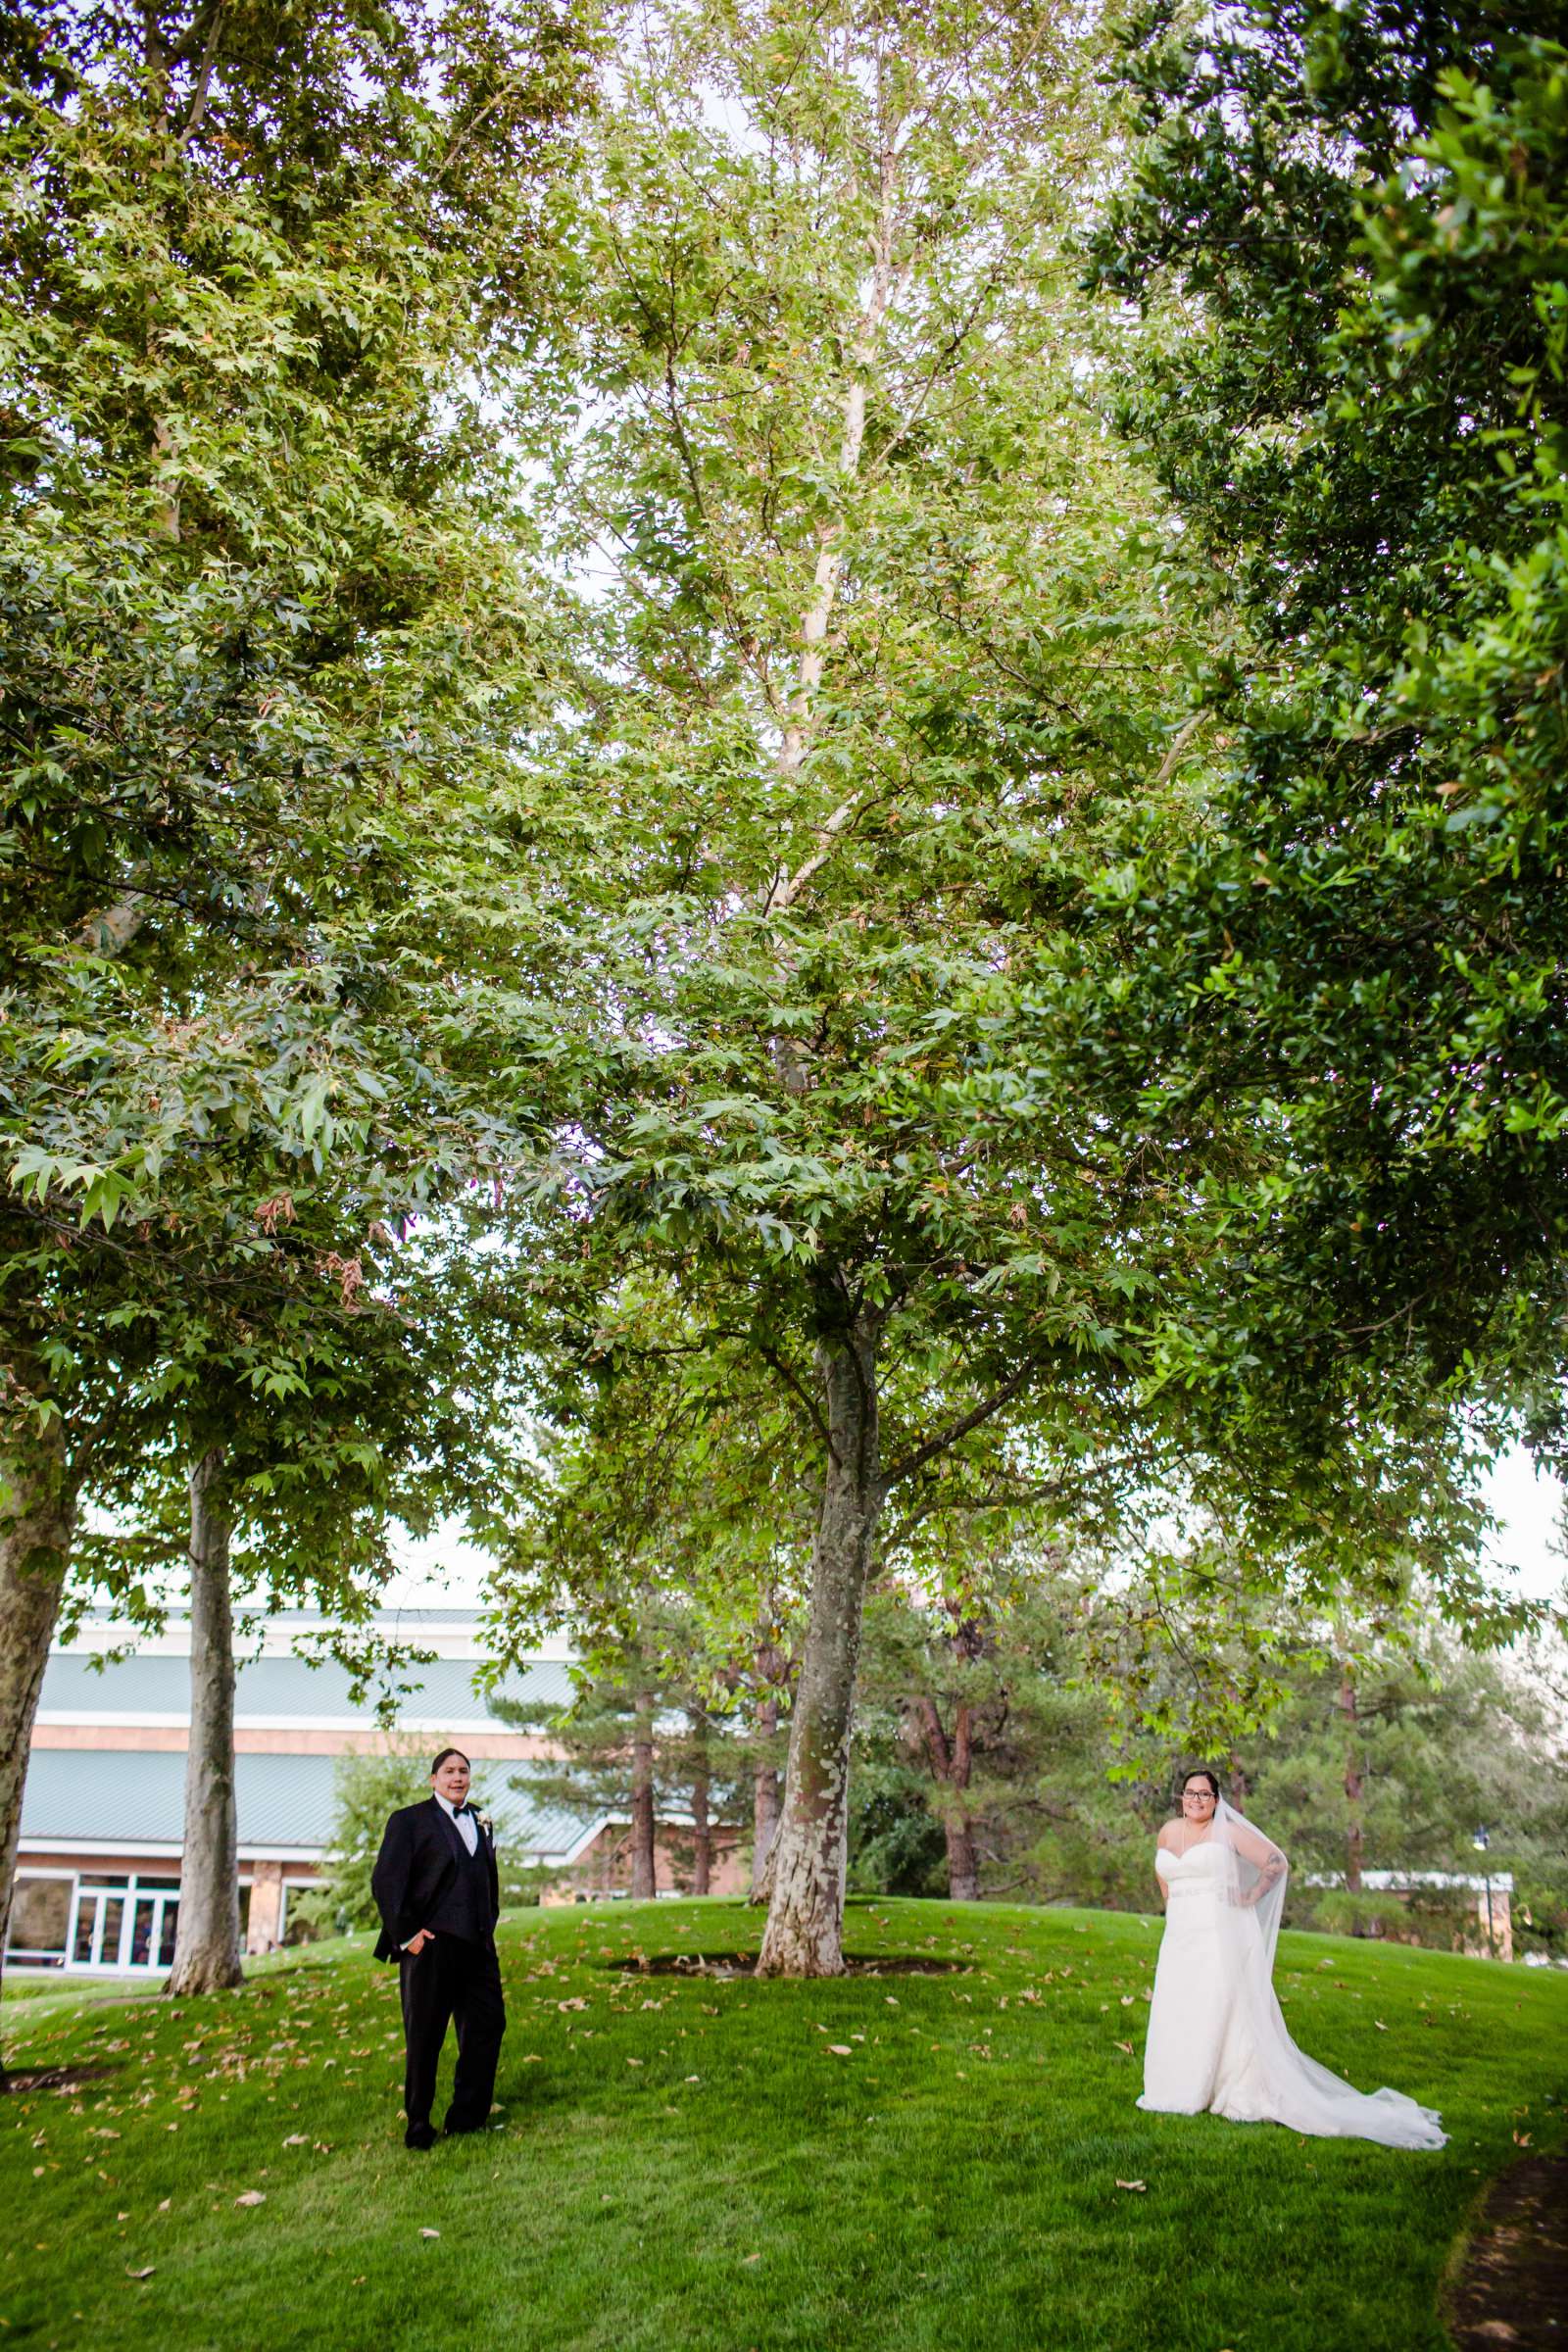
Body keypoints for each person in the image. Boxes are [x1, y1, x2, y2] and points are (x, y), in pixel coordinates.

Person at [1139, 1767, 1445, 2149]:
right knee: (1180, 2006)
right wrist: (1173, 1908)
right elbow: (1165, 1877)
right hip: (1181, 1935)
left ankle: (1224, 2085)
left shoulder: (1228, 1832)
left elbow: (1275, 1862)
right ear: (1181, 1797)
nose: (1195, 1800)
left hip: (1220, 1933)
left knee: (1217, 2006)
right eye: (1189, 1793)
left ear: (1217, 1801)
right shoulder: (1168, 1832)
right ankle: (1176, 2085)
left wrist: (1249, 1896)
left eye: (1204, 1794)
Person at [371, 1746, 507, 2150]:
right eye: (449, 1771)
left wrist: (489, 1925)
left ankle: (467, 2117)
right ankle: (418, 2122)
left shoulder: (481, 1820)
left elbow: (486, 1877)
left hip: (477, 1947)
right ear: (433, 1779)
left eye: (464, 1771)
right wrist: (407, 1935)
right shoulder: (409, 1821)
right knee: (425, 2036)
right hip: (430, 1947)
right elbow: (386, 1881)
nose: (457, 1777)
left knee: (487, 2026)